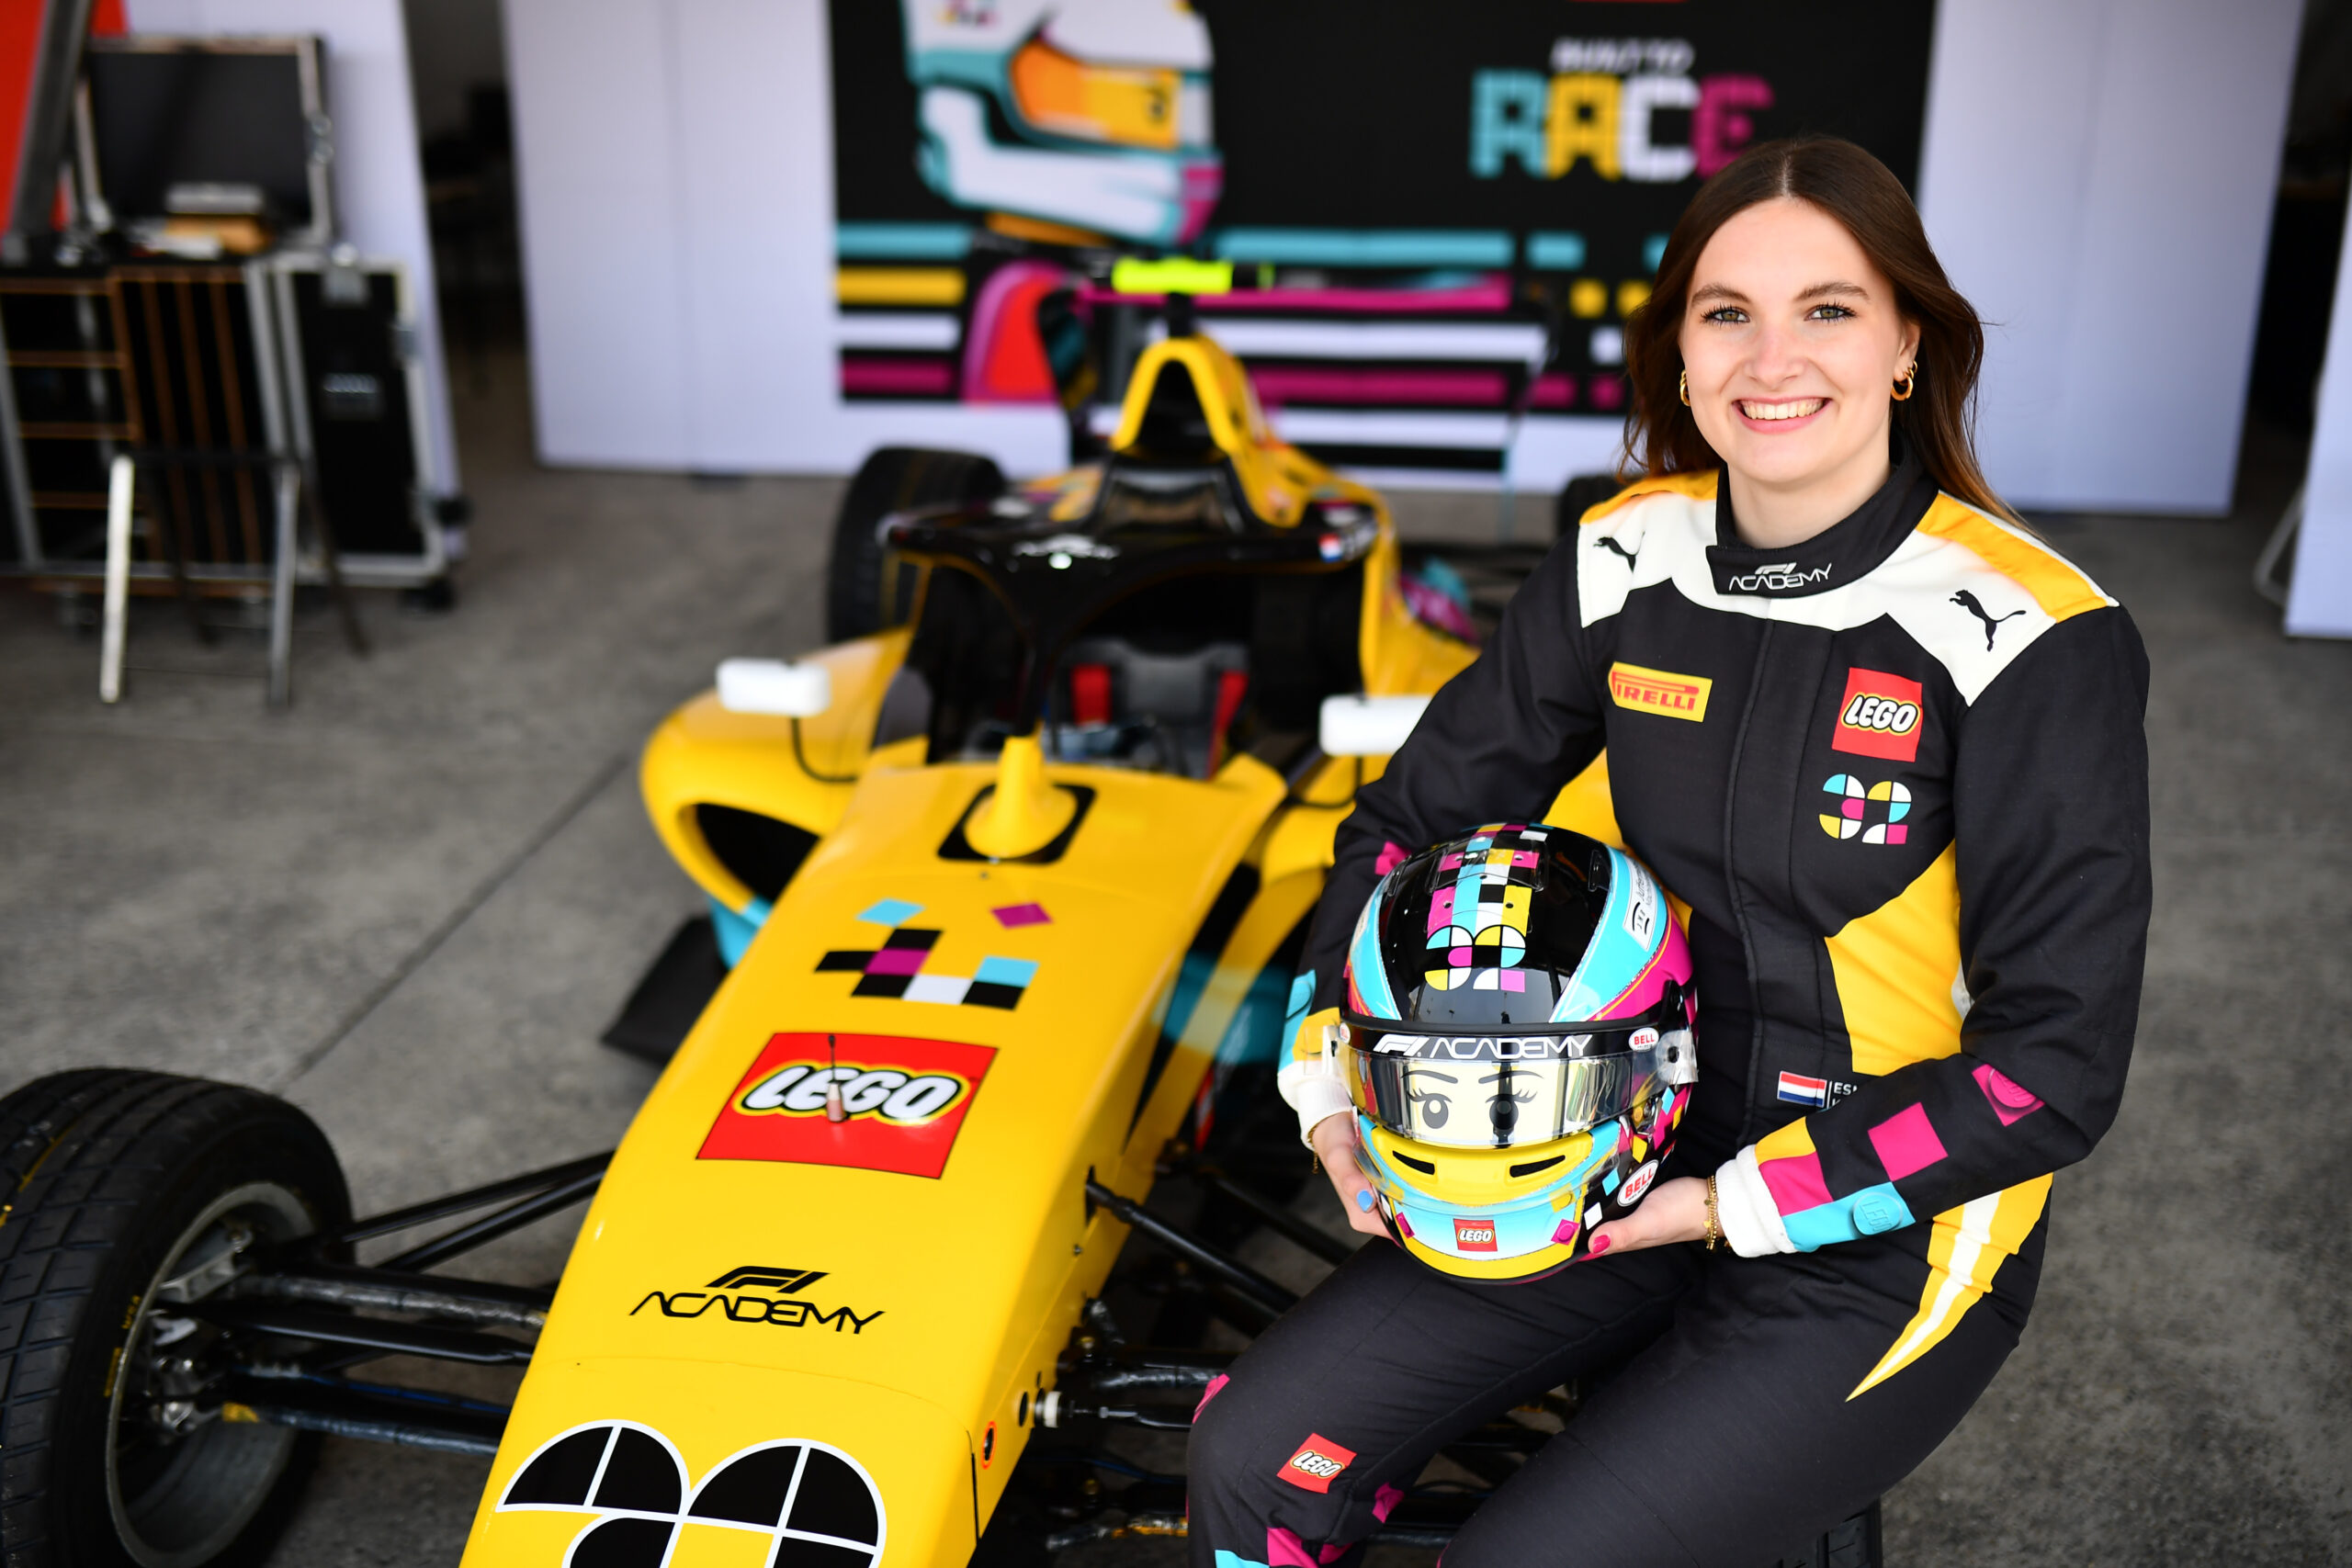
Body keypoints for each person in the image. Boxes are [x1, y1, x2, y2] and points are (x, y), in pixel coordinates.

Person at [1185, 136, 2152, 1567]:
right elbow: (1406, 825)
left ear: (1907, 346)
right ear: (1681, 358)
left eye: (1829, 309)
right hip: (1607, 1149)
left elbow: (2051, 1071)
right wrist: (1328, 1073)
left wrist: (1730, 1205)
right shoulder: (1626, 553)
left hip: (1888, 1231)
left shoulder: (2034, 636)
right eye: (1727, 313)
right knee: (1249, 1462)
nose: (1773, 358)